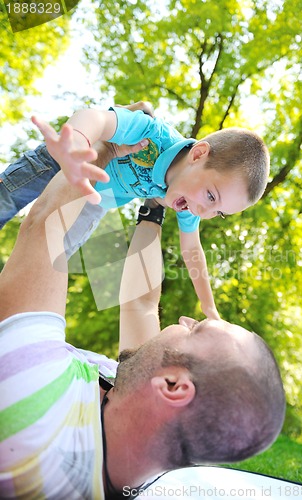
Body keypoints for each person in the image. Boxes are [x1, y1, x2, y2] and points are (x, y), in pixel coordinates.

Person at [0, 156, 285, 498]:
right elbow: (142, 303)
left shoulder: (38, 409)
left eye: (197, 330)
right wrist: (154, 206)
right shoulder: (135, 447)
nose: (185, 319)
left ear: (173, 386)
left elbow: (49, 227)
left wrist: (105, 146)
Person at [0, 103, 270, 320]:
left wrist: (209, 308)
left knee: (47, 256)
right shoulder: (152, 135)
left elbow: (192, 250)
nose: (203, 211)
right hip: (71, 159)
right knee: (7, 198)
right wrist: (77, 145)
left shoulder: (190, 201)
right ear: (198, 155)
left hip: (95, 201)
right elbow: (96, 119)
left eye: (218, 212)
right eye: (212, 196)